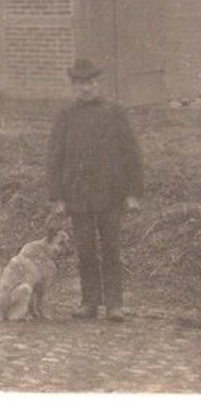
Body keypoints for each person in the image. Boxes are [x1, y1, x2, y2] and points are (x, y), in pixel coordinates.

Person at [47, 58, 144, 322]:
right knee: (85, 248)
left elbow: (131, 153)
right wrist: (56, 196)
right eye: (80, 84)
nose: (86, 89)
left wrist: (134, 192)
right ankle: (89, 301)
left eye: (90, 83)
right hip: (78, 196)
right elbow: (55, 156)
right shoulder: (66, 116)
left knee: (111, 247)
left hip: (110, 193)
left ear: (97, 84)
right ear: (73, 87)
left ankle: (114, 304)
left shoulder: (114, 113)